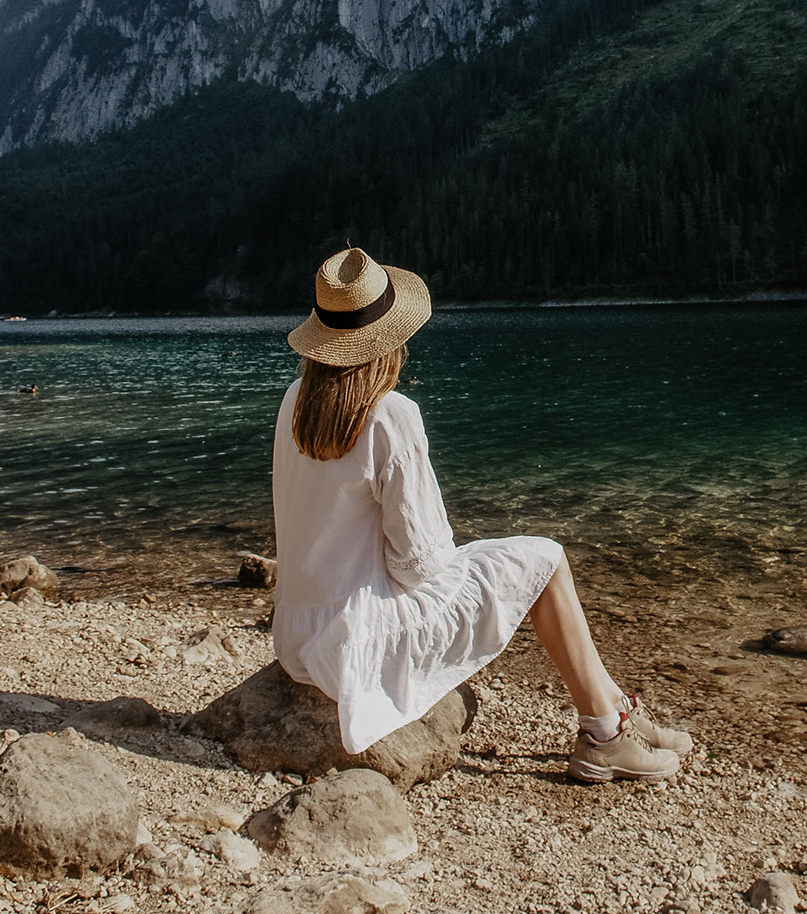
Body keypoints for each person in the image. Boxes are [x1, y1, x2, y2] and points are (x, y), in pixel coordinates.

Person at [271, 247, 691, 783]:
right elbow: (421, 564)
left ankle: (614, 707)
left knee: (519, 562)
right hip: (354, 641)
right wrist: (475, 564)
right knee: (547, 561)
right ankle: (603, 735)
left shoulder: (295, 401)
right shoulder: (389, 413)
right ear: (390, 340)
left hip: (299, 633)